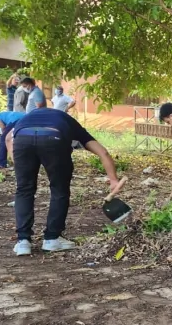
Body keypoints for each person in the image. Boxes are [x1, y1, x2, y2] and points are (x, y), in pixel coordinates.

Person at [6, 108, 120, 256]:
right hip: (53, 138)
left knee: (24, 189)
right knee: (59, 189)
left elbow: (8, 138)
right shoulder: (71, 124)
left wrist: (20, 166)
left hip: (22, 139)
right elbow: (102, 152)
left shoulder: (27, 118)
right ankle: (52, 239)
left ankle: (23, 242)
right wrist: (113, 179)